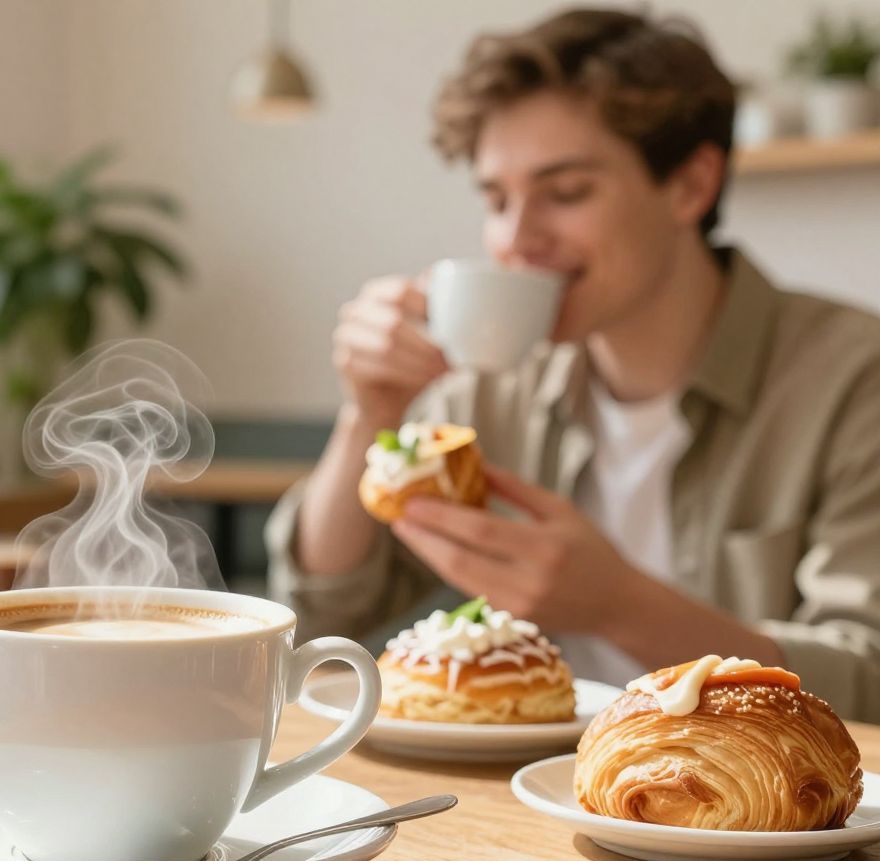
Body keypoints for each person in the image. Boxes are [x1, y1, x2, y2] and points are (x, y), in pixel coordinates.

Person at [266, 9, 880, 720]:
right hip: (536, 797)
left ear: (691, 186)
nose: (516, 239)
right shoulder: (488, 390)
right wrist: (368, 415)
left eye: (565, 193)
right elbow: (316, 615)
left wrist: (619, 606)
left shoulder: (852, 380)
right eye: (497, 199)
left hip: (760, 813)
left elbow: (870, 685)